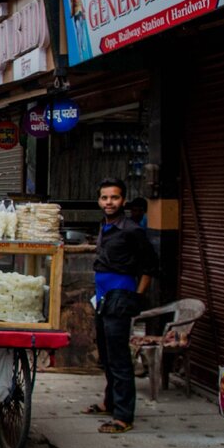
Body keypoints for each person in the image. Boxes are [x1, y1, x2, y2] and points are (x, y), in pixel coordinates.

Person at [85, 178, 157, 434]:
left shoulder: (132, 230)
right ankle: (110, 402)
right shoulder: (105, 227)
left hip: (120, 296)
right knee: (105, 354)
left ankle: (123, 416)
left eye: (114, 198)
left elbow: (150, 266)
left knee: (119, 358)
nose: (109, 202)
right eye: (105, 198)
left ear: (123, 200)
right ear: (99, 201)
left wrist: (136, 297)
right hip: (103, 296)